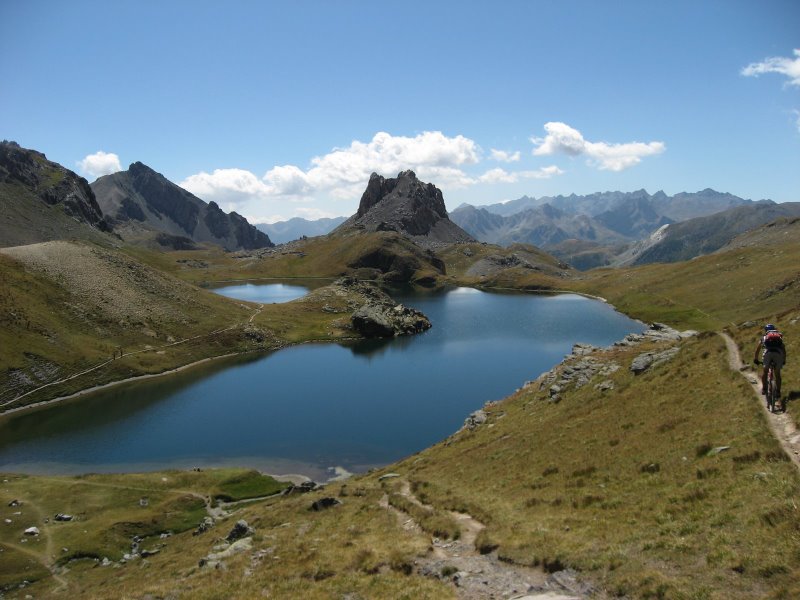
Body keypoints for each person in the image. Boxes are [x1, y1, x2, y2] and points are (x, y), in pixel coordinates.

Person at [753, 324, 786, 399]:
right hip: (778, 355)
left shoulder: (764, 338)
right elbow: (784, 350)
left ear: (766, 330)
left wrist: (756, 359)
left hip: (768, 354)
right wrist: (783, 360)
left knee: (765, 371)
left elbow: (757, 350)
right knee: (777, 374)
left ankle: (764, 389)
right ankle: (778, 392)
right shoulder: (779, 337)